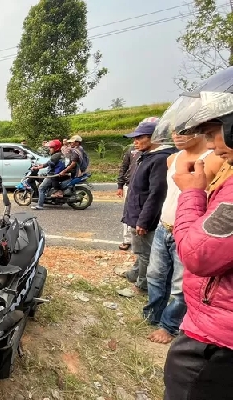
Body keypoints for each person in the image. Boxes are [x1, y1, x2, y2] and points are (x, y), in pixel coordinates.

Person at [159, 67, 233, 399]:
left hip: (217, 341)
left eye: (217, 131)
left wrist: (192, 194)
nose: (216, 145)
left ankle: (163, 322)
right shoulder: (175, 160)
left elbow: (200, 255)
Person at [143, 131, 221, 344]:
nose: (177, 135)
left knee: (181, 284)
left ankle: (169, 326)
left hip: (189, 230)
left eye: (185, 131)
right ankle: (153, 315)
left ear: (203, 129)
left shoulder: (214, 160)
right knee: (155, 276)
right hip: (164, 227)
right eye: (175, 130)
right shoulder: (172, 159)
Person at [120, 118, 177, 292]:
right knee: (141, 250)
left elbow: (157, 193)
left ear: (155, 137)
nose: (135, 141)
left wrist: (143, 221)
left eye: (140, 137)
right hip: (137, 211)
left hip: (144, 215)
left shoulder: (159, 159)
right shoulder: (147, 156)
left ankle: (142, 285)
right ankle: (135, 273)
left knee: (145, 253)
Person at [116, 144, 141, 251]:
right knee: (128, 212)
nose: (136, 141)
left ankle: (142, 240)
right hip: (130, 185)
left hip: (146, 186)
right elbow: (124, 167)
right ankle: (127, 240)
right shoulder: (131, 149)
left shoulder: (153, 151)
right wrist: (120, 185)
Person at [30, 139, 65, 210]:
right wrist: (40, 165)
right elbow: (49, 163)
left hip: (52, 175)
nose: (49, 149)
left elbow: (47, 164)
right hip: (56, 174)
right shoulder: (60, 154)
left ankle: (40, 205)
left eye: (51, 148)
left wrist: (37, 168)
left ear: (55, 148)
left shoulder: (55, 156)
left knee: (41, 188)